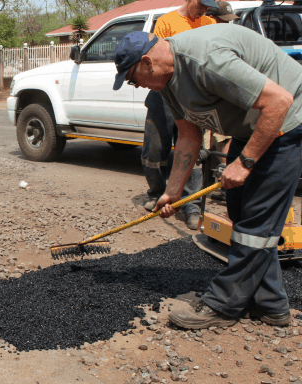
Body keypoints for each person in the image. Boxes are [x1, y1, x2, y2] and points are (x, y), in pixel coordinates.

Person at [113, 25, 302, 329]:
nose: (136, 86)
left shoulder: (206, 61)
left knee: (257, 222)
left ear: (147, 63)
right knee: (243, 217)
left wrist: (245, 162)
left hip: (286, 123)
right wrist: (172, 192)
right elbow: (188, 135)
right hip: (253, 126)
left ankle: (222, 305)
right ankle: (272, 305)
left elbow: (279, 102)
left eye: (133, 79)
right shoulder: (168, 82)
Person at [139, 0, 217, 230]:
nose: (204, 10)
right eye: (202, 5)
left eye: (207, 6)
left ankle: (191, 206)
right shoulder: (166, 23)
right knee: (155, 148)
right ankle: (157, 192)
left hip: (192, 94)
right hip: (163, 93)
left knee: (192, 151)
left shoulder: (209, 23)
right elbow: (156, 59)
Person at [205, 0, 238, 201]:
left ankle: (225, 186)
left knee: (223, 140)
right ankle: (214, 184)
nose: (226, 24)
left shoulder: (225, 37)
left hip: (221, 95)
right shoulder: (206, 36)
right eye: (221, 20)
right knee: (209, 143)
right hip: (210, 95)